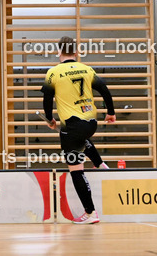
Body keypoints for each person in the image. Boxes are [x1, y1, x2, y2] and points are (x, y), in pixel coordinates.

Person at [42, 36, 115, 225]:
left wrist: (50, 119)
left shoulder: (53, 72)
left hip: (72, 125)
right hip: (91, 123)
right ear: (75, 52)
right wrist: (110, 113)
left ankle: (90, 212)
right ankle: (100, 164)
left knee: (76, 170)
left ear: (59, 51)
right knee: (80, 138)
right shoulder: (87, 69)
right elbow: (104, 90)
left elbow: (47, 98)